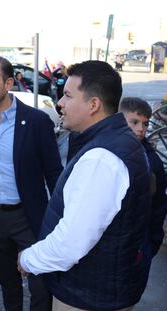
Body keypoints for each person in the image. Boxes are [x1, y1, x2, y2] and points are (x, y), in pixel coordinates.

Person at [18, 60, 152, 311]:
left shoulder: (102, 158)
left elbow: (70, 244)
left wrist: (28, 259)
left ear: (93, 105)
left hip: (89, 296)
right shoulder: (113, 141)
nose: (60, 103)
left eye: (68, 96)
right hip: (102, 289)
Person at [0, 56, 63, 311]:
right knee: (8, 282)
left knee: (41, 286)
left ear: (8, 83)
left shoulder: (37, 122)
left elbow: (54, 174)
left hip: (29, 218)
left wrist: (60, 218)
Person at [119, 97, 167, 287]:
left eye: (145, 124)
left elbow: (159, 204)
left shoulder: (152, 160)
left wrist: (152, 241)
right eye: (134, 122)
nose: (141, 129)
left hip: (140, 242)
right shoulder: (108, 151)